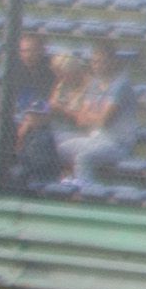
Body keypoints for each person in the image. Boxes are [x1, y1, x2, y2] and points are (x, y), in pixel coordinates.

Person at [55, 42, 139, 185]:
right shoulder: (94, 84)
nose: (96, 66)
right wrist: (94, 116)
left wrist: (92, 116)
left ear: (112, 62)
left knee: (84, 157)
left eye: (101, 62)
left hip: (117, 144)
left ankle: (87, 190)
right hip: (95, 139)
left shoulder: (121, 85)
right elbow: (81, 119)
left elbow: (103, 120)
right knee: (60, 149)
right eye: (94, 62)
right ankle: (66, 181)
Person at [10, 32, 54, 112]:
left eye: (31, 51)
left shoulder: (52, 70)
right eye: (23, 51)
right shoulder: (15, 70)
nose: (27, 55)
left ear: (42, 51)